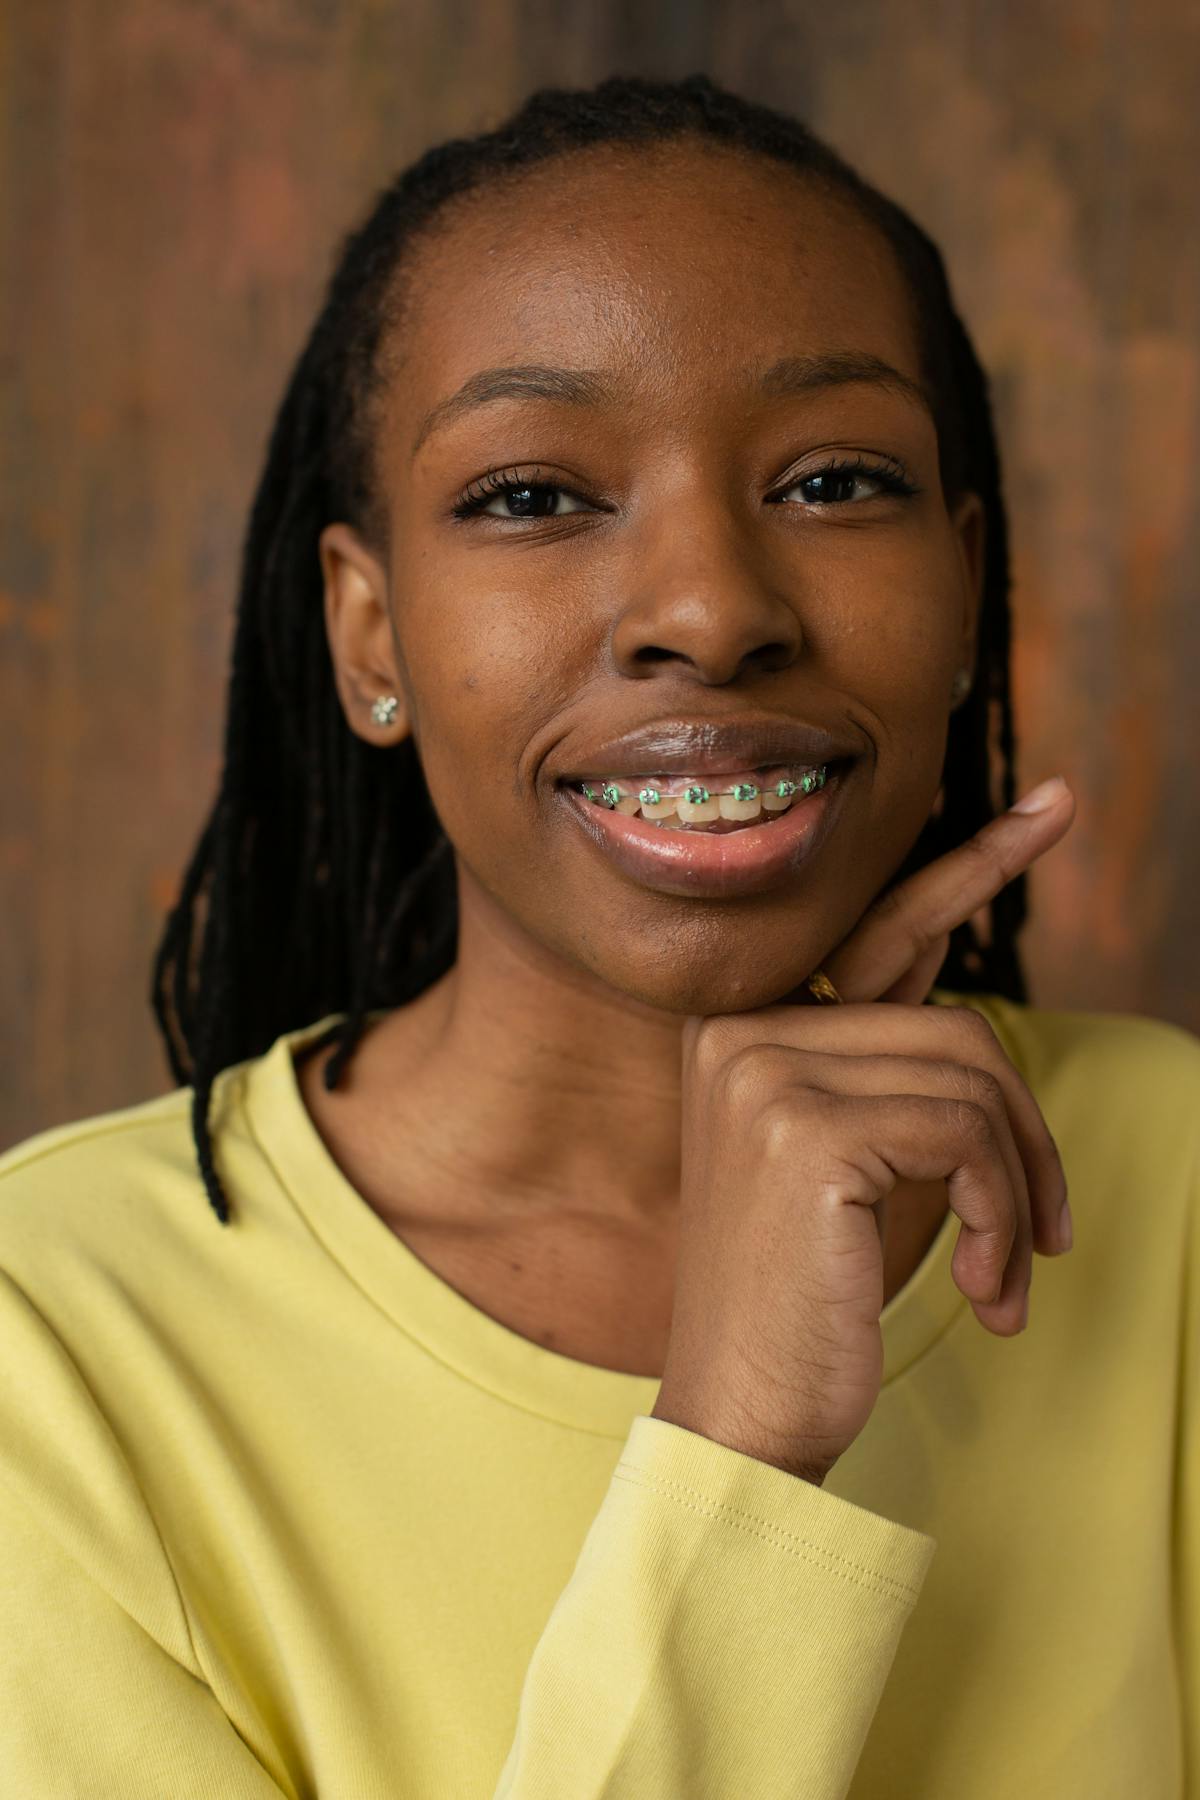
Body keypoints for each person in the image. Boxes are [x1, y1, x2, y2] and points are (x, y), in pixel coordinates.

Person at [1, 70, 1196, 1799]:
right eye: (531, 498)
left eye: (835, 478)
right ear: (368, 633)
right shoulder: (51, 1347)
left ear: (962, 590)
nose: (710, 611)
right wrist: (737, 1451)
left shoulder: (1169, 1186)